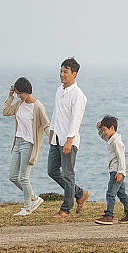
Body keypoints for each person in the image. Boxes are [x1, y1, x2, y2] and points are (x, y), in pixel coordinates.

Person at [47, 57, 90, 219]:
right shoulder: (60, 90)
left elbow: (75, 119)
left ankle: (65, 209)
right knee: (52, 171)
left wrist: (69, 140)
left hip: (68, 140)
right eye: (61, 71)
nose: (62, 74)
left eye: (65, 72)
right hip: (56, 138)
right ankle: (79, 193)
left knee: (67, 174)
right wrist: (51, 131)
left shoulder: (78, 95)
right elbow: (56, 112)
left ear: (74, 73)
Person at [2, 77, 49, 215]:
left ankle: (27, 208)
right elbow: (6, 112)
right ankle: (34, 198)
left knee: (24, 177)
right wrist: (10, 96)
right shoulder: (19, 103)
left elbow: (46, 125)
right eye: (17, 93)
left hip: (28, 144)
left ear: (27, 91)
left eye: (20, 93)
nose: (19, 96)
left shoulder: (38, 106)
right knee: (12, 177)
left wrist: (53, 139)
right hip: (17, 143)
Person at [94, 115, 128, 225]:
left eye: (104, 130)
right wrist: (99, 129)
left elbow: (121, 158)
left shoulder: (117, 142)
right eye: (102, 130)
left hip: (117, 173)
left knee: (110, 194)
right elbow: (103, 137)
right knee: (121, 194)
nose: (103, 133)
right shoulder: (111, 139)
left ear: (112, 128)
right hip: (115, 171)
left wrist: (120, 172)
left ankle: (109, 216)